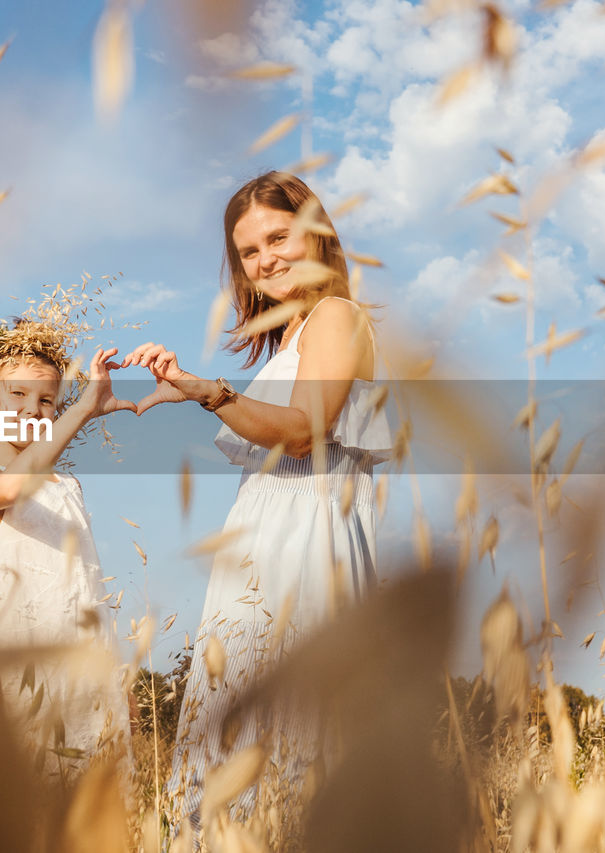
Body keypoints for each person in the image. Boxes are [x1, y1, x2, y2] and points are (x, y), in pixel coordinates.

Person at [119, 171, 392, 829]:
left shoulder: (334, 315)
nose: (266, 258)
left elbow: (305, 429)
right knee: (246, 755)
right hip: (266, 542)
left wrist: (206, 389)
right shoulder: (298, 333)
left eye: (279, 236)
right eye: (249, 251)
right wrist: (190, 387)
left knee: (289, 744)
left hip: (303, 543)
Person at [0, 319, 134, 780]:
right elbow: (12, 488)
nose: (32, 410)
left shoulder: (68, 485)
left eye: (46, 402)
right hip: (24, 670)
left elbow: (88, 581)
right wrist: (81, 410)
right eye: (16, 394)